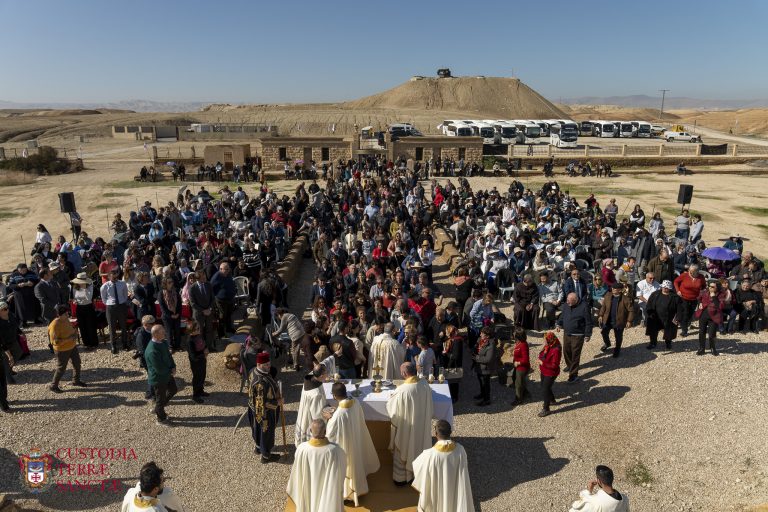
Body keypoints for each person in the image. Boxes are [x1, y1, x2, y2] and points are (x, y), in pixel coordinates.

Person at [326, 382, 380, 506]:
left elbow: (330, 434)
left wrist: (329, 418)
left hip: (346, 445)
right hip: (356, 439)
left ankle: (348, 494)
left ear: (334, 396)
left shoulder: (339, 414)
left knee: (348, 466)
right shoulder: (355, 401)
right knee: (356, 464)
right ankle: (359, 486)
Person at [386, 362, 434, 485]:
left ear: (404, 373)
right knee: (418, 446)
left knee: (404, 446)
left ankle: (401, 479)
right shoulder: (424, 384)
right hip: (421, 427)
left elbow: (394, 413)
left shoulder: (402, 390)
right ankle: (417, 474)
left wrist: (392, 398)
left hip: (407, 429)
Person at [412, 419, 475, 512]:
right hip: (454, 493)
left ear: (435, 434)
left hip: (436, 497)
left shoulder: (428, 455)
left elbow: (416, 467)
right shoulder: (461, 450)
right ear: (450, 432)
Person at [286, 418, 347, 512]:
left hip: (307, 490)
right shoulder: (335, 451)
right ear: (325, 431)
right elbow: (341, 471)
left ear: (310, 431)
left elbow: (297, 473)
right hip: (327, 494)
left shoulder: (301, 449)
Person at [247, 352, 282, 463]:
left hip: (254, 409)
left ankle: (258, 448)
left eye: (269, 363)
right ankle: (266, 456)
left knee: (257, 430)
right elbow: (261, 403)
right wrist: (277, 402)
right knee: (266, 434)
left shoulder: (252, 371)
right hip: (264, 413)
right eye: (266, 365)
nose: (269, 366)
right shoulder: (260, 383)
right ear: (259, 364)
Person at [48, 304, 87, 393]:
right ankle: (53, 386)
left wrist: (74, 332)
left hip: (72, 347)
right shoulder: (54, 325)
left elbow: (70, 328)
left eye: (67, 313)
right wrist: (69, 339)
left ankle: (76, 381)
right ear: (59, 315)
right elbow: (55, 342)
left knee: (77, 363)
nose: (68, 315)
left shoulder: (65, 320)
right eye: (65, 314)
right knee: (61, 368)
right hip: (62, 350)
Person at [557, 292, 593, 382]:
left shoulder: (584, 306)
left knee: (575, 354)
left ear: (576, 300)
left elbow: (588, 322)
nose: (567, 302)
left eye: (569, 301)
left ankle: (573, 375)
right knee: (566, 351)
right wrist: (559, 324)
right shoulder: (567, 304)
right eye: (567, 300)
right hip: (567, 333)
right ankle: (570, 366)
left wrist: (588, 334)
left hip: (578, 335)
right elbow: (563, 315)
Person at [121, 461, 185, 512]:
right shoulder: (156, 509)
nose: (164, 483)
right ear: (155, 489)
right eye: (163, 481)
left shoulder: (130, 493)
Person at [145, 324, 177, 425]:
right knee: (160, 399)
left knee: (173, 389)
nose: (165, 333)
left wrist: (173, 366)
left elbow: (168, 355)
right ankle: (161, 419)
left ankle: (158, 408)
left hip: (167, 374)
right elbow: (158, 368)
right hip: (158, 378)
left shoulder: (162, 342)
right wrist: (170, 371)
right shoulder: (152, 350)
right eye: (163, 332)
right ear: (155, 334)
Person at [597, 283, 635, 358]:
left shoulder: (626, 299)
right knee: (604, 332)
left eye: (615, 289)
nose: (613, 290)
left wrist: (629, 321)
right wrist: (600, 315)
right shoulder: (608, 295)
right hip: (608, 320)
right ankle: (607, 343)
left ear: (620, 290)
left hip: (619, 321)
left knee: (618, 337)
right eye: (612, 288)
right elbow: (603, 306)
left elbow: (631, 310)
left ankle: (617, 349)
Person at [295, 365, 328, 446]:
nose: (327, 374)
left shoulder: (308, 381)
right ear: (321, 376)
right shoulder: (316, 394)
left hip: (304, 412)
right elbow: (317, 415)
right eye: (326, 373)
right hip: (310, 420)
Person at [645, 281, 682, 351]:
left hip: (669, 318)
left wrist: (678, 318)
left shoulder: (675, 297)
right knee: (653, 331)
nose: (665, 288)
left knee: (668, 332)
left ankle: (668, 343)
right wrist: (649, 314)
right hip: (655, 317)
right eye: (664, 287)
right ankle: (653, 343)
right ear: (661, 287)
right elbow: (649, 304)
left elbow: (680, 308)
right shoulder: (655, 294)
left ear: (670, 288)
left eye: (667, 288)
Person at [101, 269, 130, 354]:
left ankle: (125, 344)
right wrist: (109, 303)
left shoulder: (122, 283)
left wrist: (122, 302)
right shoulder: (105, 286)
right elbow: (103, 298)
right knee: (112, 327)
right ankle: (113, 346)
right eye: (112, 275)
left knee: (123, 326)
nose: (114, 277)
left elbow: (125, 295)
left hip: (121, 306)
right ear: (109, 276)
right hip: (111, 308)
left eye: (115, 275)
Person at [673, 264, 706, 337]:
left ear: (697, 271)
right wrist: (678, 290)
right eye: (689, 271)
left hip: (694, 299)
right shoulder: (684, 275)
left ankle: (684, 323)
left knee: (690, 314)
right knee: (685, 314)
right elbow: (676, 281)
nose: (690, 272)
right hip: (683, 298)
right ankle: (684, 331)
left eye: (692, 271)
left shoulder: (701, 277)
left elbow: (704, 286)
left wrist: (702, 291)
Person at [695, 282, 725, 356]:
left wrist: (714, 297)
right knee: (702, 332)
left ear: (717, 287)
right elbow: (698, 298)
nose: (710, 288)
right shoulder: (704, 292)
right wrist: (700, 303)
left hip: (714, 316)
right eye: (709, 286)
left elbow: (720, 306)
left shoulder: (721, 294)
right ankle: (702, 348)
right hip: (703, 314)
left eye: (712, 287)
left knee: (711, 334)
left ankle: (713, 348)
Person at [189, 271, 216, 352]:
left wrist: (209, 309)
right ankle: (200, 348)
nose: (205, 278)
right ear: (198, 279)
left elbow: (213, 299)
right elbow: (193, 303)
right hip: (198, 313)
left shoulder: (208, 285)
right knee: (199, 331)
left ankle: (209, 346)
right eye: (203, 278)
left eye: (205, 277)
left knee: (209, 329)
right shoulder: (192, 288)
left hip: (209, 312)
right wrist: (203, 311)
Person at [70, 272, 99, 349]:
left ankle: (93, 343)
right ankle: (86, 343)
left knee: (91, 326)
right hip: (79, 308)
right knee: (82, 326)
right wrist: (74, 301)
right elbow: (72, 298)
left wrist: (85, 289)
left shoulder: (91, 287)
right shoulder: (74, 287)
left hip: (89, 307)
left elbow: (92, 297)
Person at [537, 331, 562, 417]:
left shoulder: (556, 350)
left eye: (545, 340)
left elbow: (554, 365)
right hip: (544, 371)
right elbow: (542, 355)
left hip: (550, 373)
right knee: (545, 387)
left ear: (549, 340)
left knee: (545, 389)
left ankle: (546, 409)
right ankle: (552, 400)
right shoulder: (547, 346)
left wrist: (543, 363)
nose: (544, 341)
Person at [185, 319, 208, 403]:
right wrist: (203, 353)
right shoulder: (190, 341)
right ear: (191, 331)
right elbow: (193, 356)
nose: (199, 330)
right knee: (197, 378)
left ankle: (200, 390)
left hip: (202, 360)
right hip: (196, 363)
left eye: (199, 328)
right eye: (197, 329)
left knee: (203, 375)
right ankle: (195, 395)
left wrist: (206, 348)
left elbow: (203, 344)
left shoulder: (198, 336)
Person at [211, 262, 236, 337]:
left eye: (228, 269)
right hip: (221, 300)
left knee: (229, 314)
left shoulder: (228, 274)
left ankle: (229, 328)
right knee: (222, 316)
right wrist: (217, 295)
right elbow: (211, 287)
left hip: (230, 299)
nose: (228, 271)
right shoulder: (216, 276)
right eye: (226, 269)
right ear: (221, 269)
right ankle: (221, 332)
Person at [472, 326, 496, 406]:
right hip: (479, 367)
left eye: (482, 333)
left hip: (485, 369)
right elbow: (476, 349)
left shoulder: (491, 345)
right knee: (480, 382)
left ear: (487, 336)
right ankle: (482, 394)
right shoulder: (480, 340)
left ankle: (486, 399)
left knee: (485, 384)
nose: (480, 334)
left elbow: (488, 359)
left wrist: (477, 358)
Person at [509, 326, 531, 408]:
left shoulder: (523, 345)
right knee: (518, 380)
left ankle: (519, 399)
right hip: (518, 367)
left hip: (522, 368)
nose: (513, 334)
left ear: (518, 335)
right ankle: (525, 393)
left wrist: (518, 363)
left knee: (518, 384)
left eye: (514, 333)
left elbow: (526, 359)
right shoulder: (518, 342)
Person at [159, 277, 182, 352]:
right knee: (169, 331)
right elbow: (162, 307)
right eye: (169, 282)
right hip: (167, 316)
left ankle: (178, 346)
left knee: (177, 331)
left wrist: (178, 313)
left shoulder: (176, 291)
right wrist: (170, 315)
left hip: (176, 314)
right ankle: (170, 346)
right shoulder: (161, 293)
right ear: (165, 284)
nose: (171, 283)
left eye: (172, 282)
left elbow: (179, 304)